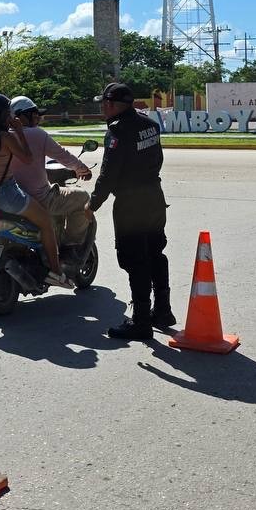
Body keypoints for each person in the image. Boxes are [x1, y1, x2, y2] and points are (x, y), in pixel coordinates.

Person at [84, 82, 171, 341]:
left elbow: (108, 174)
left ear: (111, 104)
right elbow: (158, 159)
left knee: (135, 261)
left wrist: (93, 204)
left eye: (104, 103)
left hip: (131, 203)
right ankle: (163, 312)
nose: (103, 107)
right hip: (154, 197)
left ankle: (141, 322)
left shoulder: (117, 131)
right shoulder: (150, 125)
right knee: (156, 253)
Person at [0, 93, 73, 289]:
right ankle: (56, 272)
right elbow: (27, 158)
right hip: (7, 194)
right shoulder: (5, 137)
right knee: (45, 221)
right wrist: (19, 131)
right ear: (2, 115)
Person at [8, 95, 93, 257]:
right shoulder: (37, 134)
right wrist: (82, 169)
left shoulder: (3, 137)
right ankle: (71, 247)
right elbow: (64, 156)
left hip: (10, 198)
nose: (37, 118)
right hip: (40, 199)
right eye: (34, 114)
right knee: (82, 197)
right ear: (21, 116)